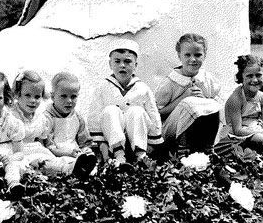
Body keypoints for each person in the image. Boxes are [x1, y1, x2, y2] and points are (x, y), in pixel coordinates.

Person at [90, 38, 163, 166]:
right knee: (110, 110)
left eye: (127, 61)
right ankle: (119, 156)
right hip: (112, 142)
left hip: (138, 139)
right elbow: (94, 115)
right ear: (110, 64)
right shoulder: (102, 88)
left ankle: (141, 156)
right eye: (117, 61)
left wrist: (153, 141)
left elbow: (153, 113)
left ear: (135, 65)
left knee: (136, 111)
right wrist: (100, 143)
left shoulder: (143, 88)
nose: (122, 65)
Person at [155, 33, 221, 155]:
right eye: (187, 55)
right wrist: (183, 98)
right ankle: (182, 151)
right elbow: (157, 115)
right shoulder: (170, 82)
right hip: (172, 133)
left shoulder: (207, 79)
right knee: (189, 102)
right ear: (179, 55)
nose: (193, 59)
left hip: (199, 133)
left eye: (198, 55)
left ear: (205, 55)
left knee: (212, 104)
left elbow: (215, 108)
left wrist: (204, 100)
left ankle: (208, 148)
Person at [214, 55, 263, 155]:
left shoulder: (262, 97)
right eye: (249, 76)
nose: (254, 80)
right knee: (261, 139)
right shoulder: (236, 99)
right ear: (241, 77)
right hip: (238, 135)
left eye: (258, 75)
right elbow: (237, 130)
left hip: (258, 130)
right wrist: (262, 133)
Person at [33, 71, 97, 178]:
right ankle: (71, 170)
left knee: (89, 164)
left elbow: (84, 141)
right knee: (55, 164)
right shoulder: (47, 118)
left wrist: (86, 150)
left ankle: (82, 170)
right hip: (56, 154)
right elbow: (48, 147)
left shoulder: (77, 117)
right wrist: (68, 153)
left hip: (75, 152)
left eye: (73, 96)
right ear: (53, 96)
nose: (69, 101)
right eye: (63, 96)